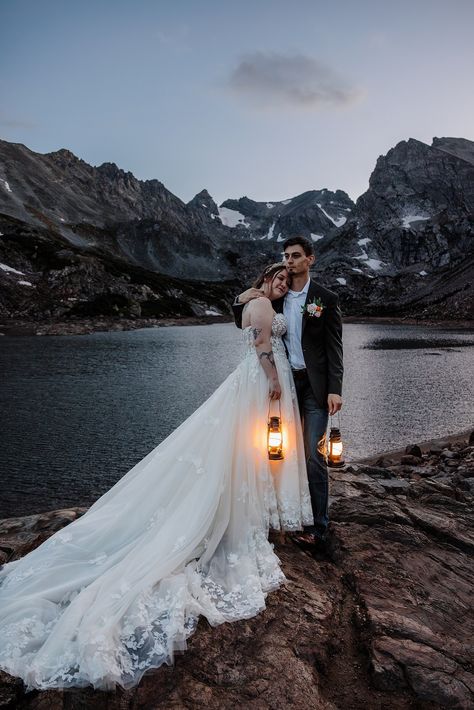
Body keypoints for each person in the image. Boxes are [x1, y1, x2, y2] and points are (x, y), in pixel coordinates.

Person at [0, 263, 312, 692]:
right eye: (276, 279)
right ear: (264, 280)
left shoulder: (256, 302)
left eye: (284, 281)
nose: (280, 285)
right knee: (246, 448)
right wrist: (274, 379)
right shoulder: (260, 304)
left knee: (248, 448)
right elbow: (261, 344)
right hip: (261, 381)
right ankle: (233, 517)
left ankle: (248, 509)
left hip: (258, 380)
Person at [232, 237, 343, 546]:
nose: (290, 261)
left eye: (296, 256)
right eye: (286, 256)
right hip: (287, 385)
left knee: (312, 454)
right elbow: (246, 322)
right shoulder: (276, 296)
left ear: (311, 259)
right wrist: (240, 298)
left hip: (316, 388)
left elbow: (335, 350)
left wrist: (335, 389)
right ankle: (284, 514)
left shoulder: (326, 299)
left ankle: (318, 528)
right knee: (283, 453)